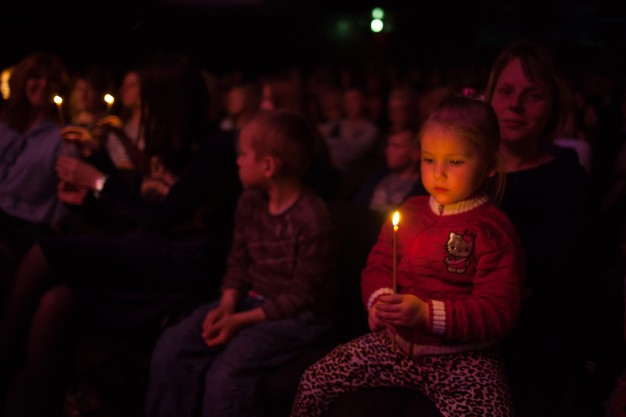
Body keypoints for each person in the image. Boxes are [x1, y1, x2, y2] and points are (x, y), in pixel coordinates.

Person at [0, 52, 240, 417]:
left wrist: (97, 181)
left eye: (148, 99)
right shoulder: (169, 141)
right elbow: (133, 209)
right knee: (55, 303)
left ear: (168, 102)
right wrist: (89, 190)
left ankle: (2, 363)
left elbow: (164, 215)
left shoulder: (215, 148)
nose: (142, 109)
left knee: (43, 252)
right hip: (146, 246)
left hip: (180, 266)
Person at [291, 96, 526, 417]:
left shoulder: (493, 230)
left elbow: (499, 310)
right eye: (429, 159)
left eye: (455, 162)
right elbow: (379, 265)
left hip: (464, 358)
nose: (438, 173)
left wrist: (427, 315)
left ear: (489, 166)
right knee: (314, 380)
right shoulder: (411, 211)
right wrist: (379, 301)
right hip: (394, 345)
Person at [145, 109, 336, 417]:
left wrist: (240, 321)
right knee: (172, 347)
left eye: (244, 154)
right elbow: (238, 262)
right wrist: (227, 304)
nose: (237, 161)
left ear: (268, 166)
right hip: (251, 300)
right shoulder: (249, 202)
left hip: (299, 316)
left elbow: (302, 296)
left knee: (226, 375)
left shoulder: (313, 220)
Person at [483, 39, 591, 416]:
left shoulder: (566, 181)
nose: (515, 105)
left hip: (514, 347)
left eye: (534, 95)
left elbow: (543, 280)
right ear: (489, 96)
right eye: (506, 91)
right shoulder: (457, 164)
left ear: (553, 106)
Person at [0, 51, 70, 291]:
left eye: (51, 80)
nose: (43, 84)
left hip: (26, 227)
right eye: (36, 77)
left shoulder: (64, 135)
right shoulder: (5, 123)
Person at [352, 127, 421, 214]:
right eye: (388, 145)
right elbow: (355, 209)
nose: (388, 150)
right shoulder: (377, 177)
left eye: (396, 146)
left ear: (415, 153)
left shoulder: (420, 188)